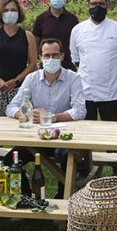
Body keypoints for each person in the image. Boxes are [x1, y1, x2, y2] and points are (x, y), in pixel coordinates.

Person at [6, 37, 86, 197]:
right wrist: (21, 115)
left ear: (62, 57)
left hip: (62, 138)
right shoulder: (31, 79)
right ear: (40, 58)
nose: (51, 59)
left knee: (68, 159)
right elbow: (11, 107)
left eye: (55, 55)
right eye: (47, 56)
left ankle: (63, 198)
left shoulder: (73, 78)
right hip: (34, 137)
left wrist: (51, 117)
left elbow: (80, 110)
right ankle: (26, 196)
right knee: (10, 159)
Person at [69, 0, 117, 121]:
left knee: (113, 133)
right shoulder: (77, 30)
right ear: (88, 6)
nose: (97, 7)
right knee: (85, 133)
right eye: (94, 4)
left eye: (101, 4)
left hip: (112, 93)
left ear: (107, 6)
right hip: (86, 91)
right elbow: (76, 60)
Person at [0, 0, 37, 117]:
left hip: (20, 89)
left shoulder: (28, 36)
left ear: (19, 12)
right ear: (0, 13)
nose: (10, 13)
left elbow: (33, 63)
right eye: (6, 10)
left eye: (13, 10)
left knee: (22, 119)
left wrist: (17, 80)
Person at [30, 0, 78, 71]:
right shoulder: (41, 19)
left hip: (69, 68)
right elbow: (35, 45)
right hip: (47, 67)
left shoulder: (72, 19)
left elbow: (77, 43)